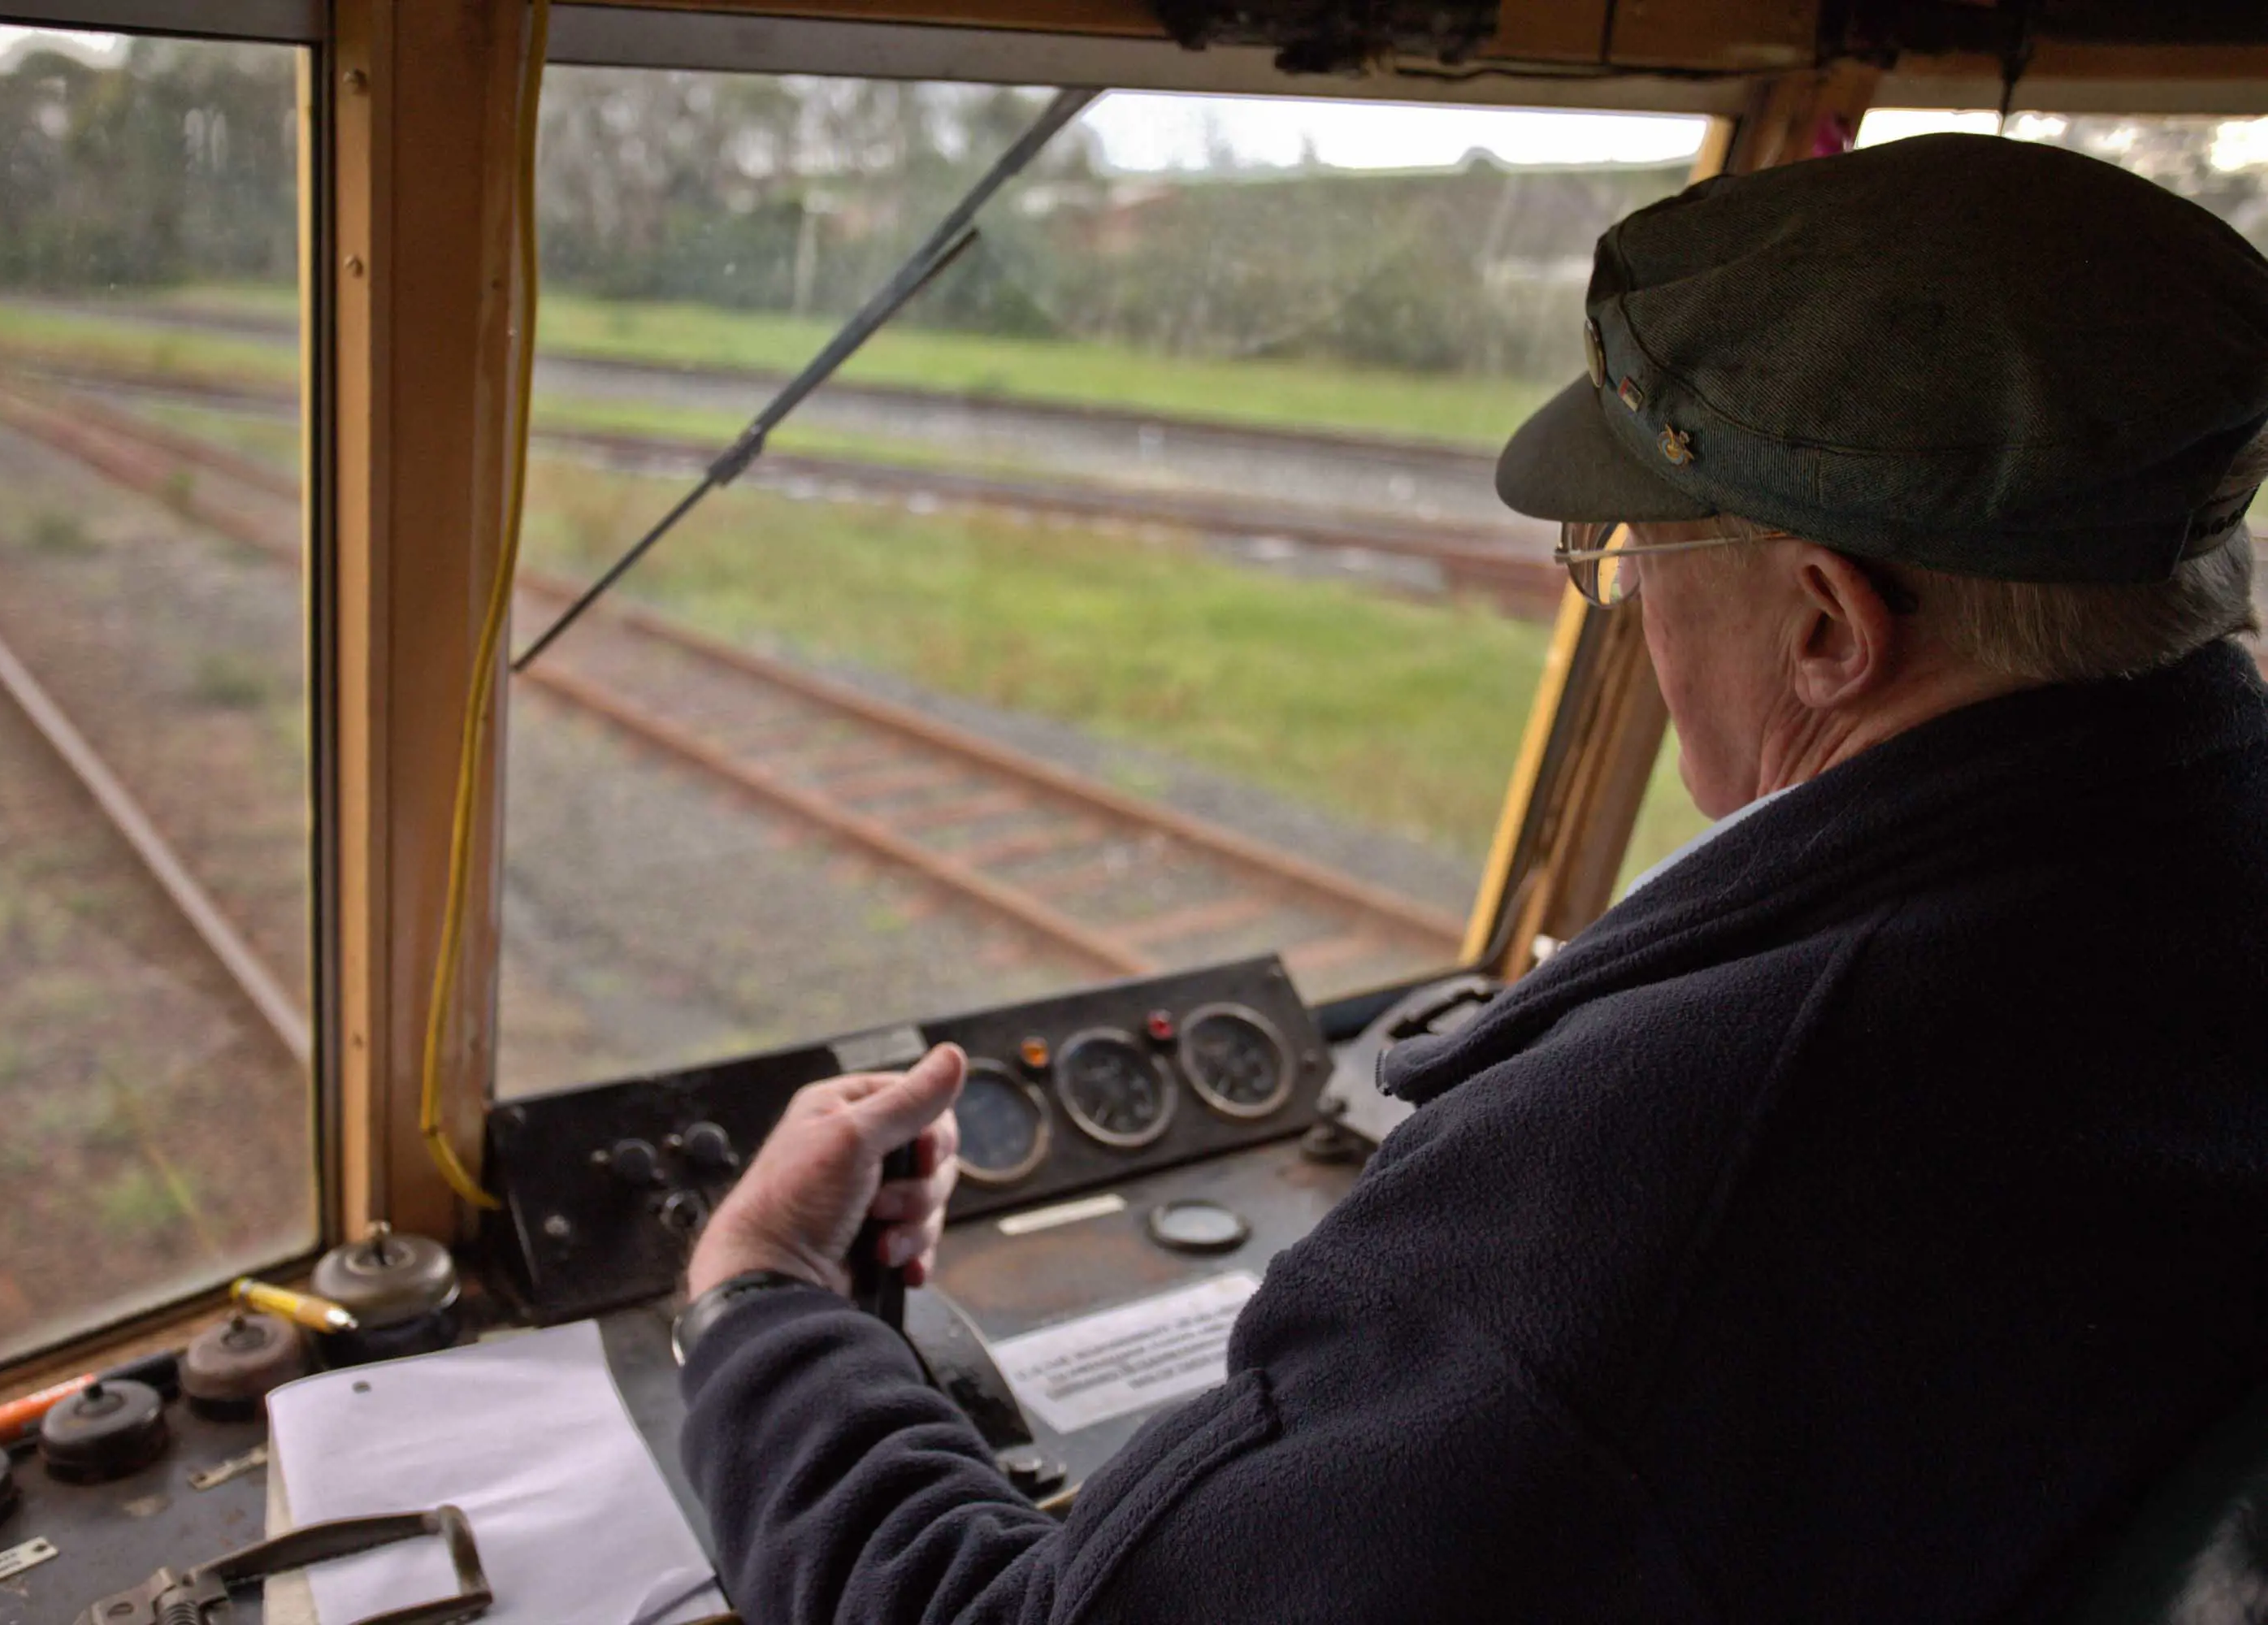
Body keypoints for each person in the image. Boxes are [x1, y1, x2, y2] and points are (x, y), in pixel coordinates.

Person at [670, 133, 2268, 1622]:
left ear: (1827, 630)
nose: (1626, 610)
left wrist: (764, 1303)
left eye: (1634, 553)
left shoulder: (1654, 1209)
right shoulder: (2188, 891)